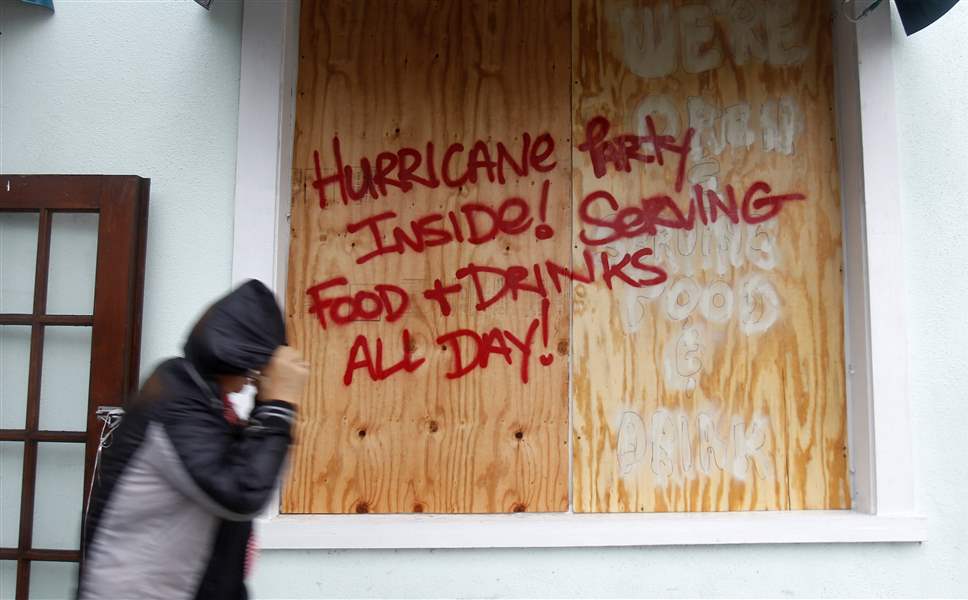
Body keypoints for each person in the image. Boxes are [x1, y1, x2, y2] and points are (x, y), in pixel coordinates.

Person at [77, 280, 309, 599]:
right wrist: (277, 405)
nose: (247, 386)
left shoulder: (200, 401)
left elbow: (245, 469)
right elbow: (241, 491)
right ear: (231, 358)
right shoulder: (176, 403)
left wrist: (268, 408)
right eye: (251, 374)